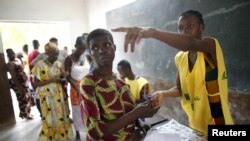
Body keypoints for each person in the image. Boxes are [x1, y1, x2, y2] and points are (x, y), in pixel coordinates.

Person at [112, 10, 234, 134]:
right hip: (196, 127)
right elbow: (180, 88)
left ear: (201, 27)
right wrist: (163, 93)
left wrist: (153, 32)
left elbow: (190, 43)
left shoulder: (211, 46)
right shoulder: (180, 58)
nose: (185, 31)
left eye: (190, 26)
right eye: (181, 28)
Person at [80, 28, 159, 141]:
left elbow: (129, 109)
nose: (101, 50)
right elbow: (94, 131)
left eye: (106, 44)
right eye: (95, 48)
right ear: (91, 53)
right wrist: (137, 113)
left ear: (114, 48)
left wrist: (140, 125)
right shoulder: (88, 83)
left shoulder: (120, 79)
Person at [31, 42, 72, 140]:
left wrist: (64, 76)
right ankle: (51, 137)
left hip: (58, 94)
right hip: (46, 96)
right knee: (49, 117)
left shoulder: (58, 64)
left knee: (60, 115)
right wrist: (51, 80)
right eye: (54, 54)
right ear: (47, 53)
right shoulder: (39, 65)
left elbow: (62, 77)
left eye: (57, 53)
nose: (57, 56)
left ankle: (61, 136)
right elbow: (35, 84)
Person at [64, 36, 89, 141]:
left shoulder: (87, 57)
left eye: (84, 49)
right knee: (77, 110)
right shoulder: (69, 59)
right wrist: (77, 87)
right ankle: (78, 132)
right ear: (75, 46)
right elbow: (67, 76)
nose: (82, 51)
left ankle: (89, 130)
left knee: (88, 109)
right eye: (80, 48)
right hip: (75, 87)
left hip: (87, 86)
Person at [6, 48, 33, 120]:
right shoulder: (9, 64)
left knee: (27, 97)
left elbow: (22, 68)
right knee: (22, 98)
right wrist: (19, 87)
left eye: (13, 53)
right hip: (17, 83)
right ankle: (25, 114)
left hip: (24, 82)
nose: (13, 55)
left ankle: (28, 112)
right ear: (8, 56)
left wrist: (21, 59)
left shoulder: (17, 61)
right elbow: (14, 77)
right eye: (11, 54)